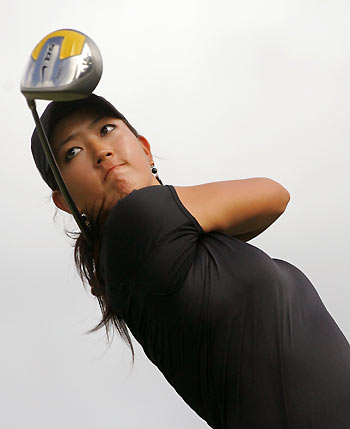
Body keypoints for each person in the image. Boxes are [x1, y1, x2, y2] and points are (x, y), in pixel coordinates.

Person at [31, 94, 350, 429]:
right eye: (72, 153)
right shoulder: (136, 218)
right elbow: (273, 193)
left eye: (107, 129)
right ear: (64, 201)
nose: (101, 151)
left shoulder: (142, 253)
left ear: (145, 147)